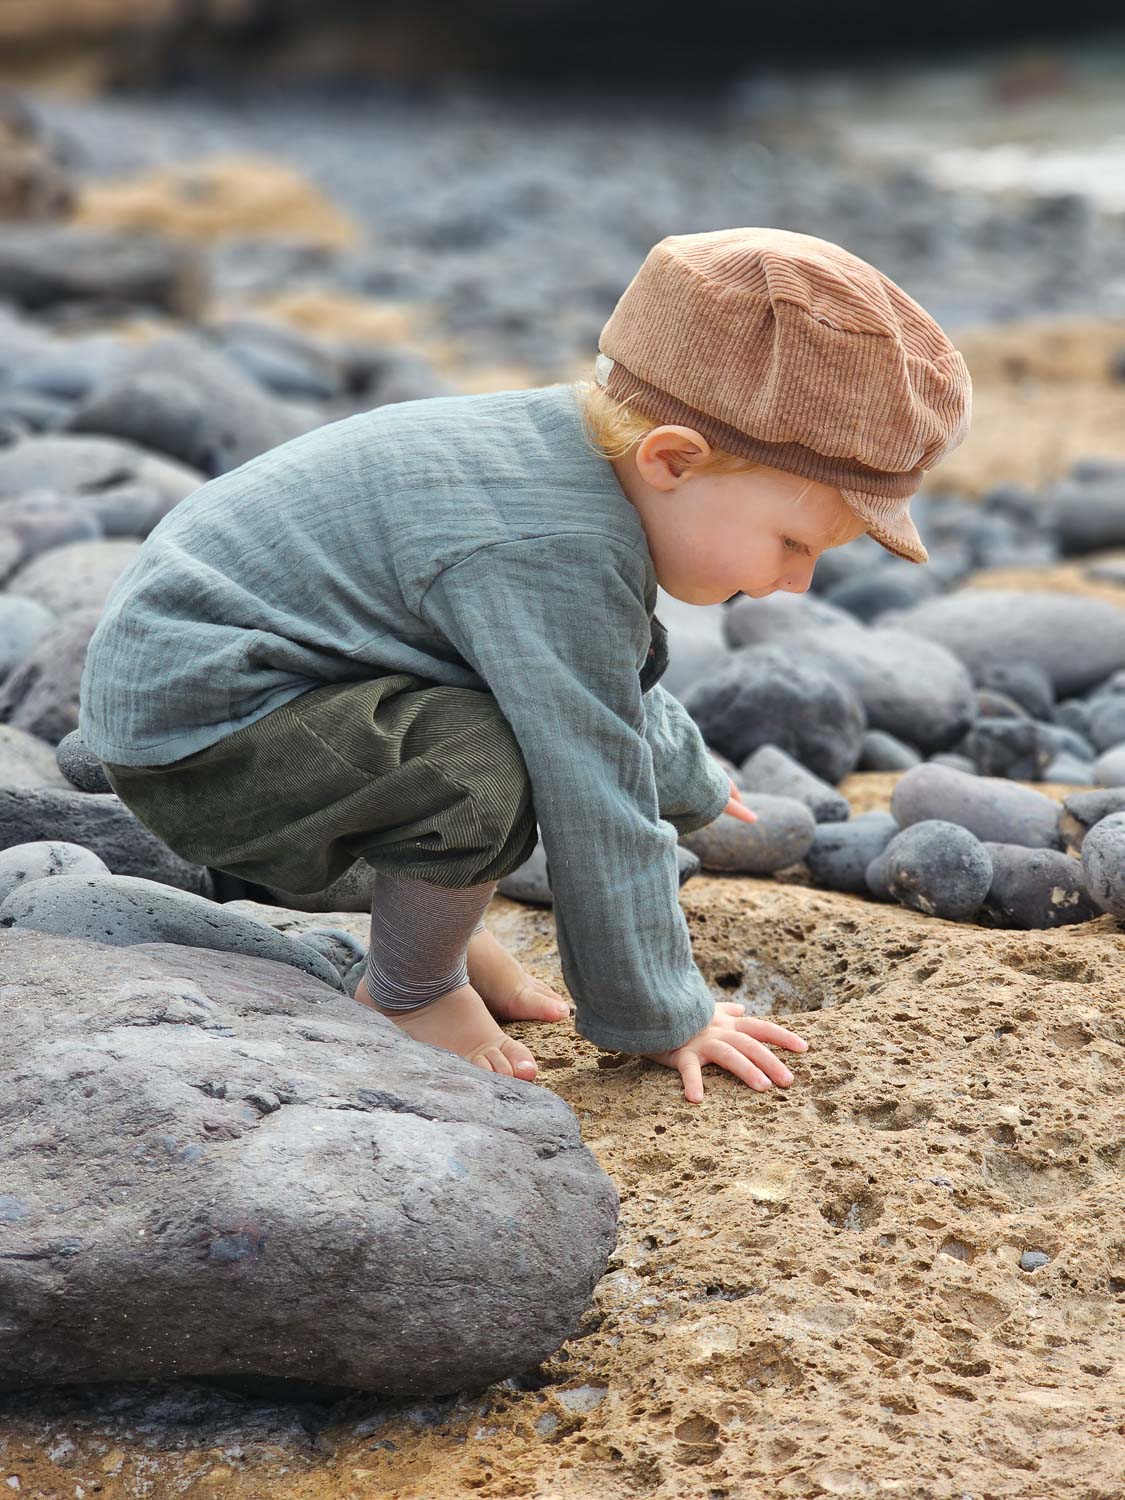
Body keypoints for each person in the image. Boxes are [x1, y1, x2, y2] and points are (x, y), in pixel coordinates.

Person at [79, 226, 971, 1104]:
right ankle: (409, 994)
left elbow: (597, 673)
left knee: (489, 714)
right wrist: (661, 1012)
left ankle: (427, 932)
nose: (796, 581)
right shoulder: (552, 546)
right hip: (202, 734)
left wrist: (690, 776)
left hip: (258, 681)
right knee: (482, 772)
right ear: (671, 459)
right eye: (791, 542)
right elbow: (595, 786)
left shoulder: (569, 452)